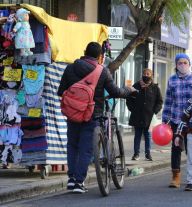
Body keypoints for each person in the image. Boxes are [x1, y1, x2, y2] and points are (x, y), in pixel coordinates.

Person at [57, 42, 135, 193]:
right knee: (86, 149)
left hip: (73, 115)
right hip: (92, 114)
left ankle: (72, 180)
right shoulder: (102, 71)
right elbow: (116, 92)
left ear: (84, 52)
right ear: (100, 56)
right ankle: (79, 182)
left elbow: (61, 92)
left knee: (72, 146)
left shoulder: (70, 68)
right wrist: (129, 90)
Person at [162, 53, 192, 188]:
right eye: (180, 63)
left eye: (185, 62)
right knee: (176, 147)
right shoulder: (172, 80)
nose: (182, 65)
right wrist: (165, 119)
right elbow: (168, 101)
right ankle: (175, 176)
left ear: (190, 64)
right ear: (176, 65)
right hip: (176, 119)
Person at [127, 68, 163, 161]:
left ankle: (148, 153)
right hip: (137, 114)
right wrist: (132, 109)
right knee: (137, 135)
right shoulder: (136, 86)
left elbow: (159, 101)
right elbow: (129, 98)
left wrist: (155, 111)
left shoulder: (155, 87)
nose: (146, 75)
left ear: (151, 75)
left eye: (148, 74)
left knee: (147, 135)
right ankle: (136, 154)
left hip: (149, 116)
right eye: (144, 73)